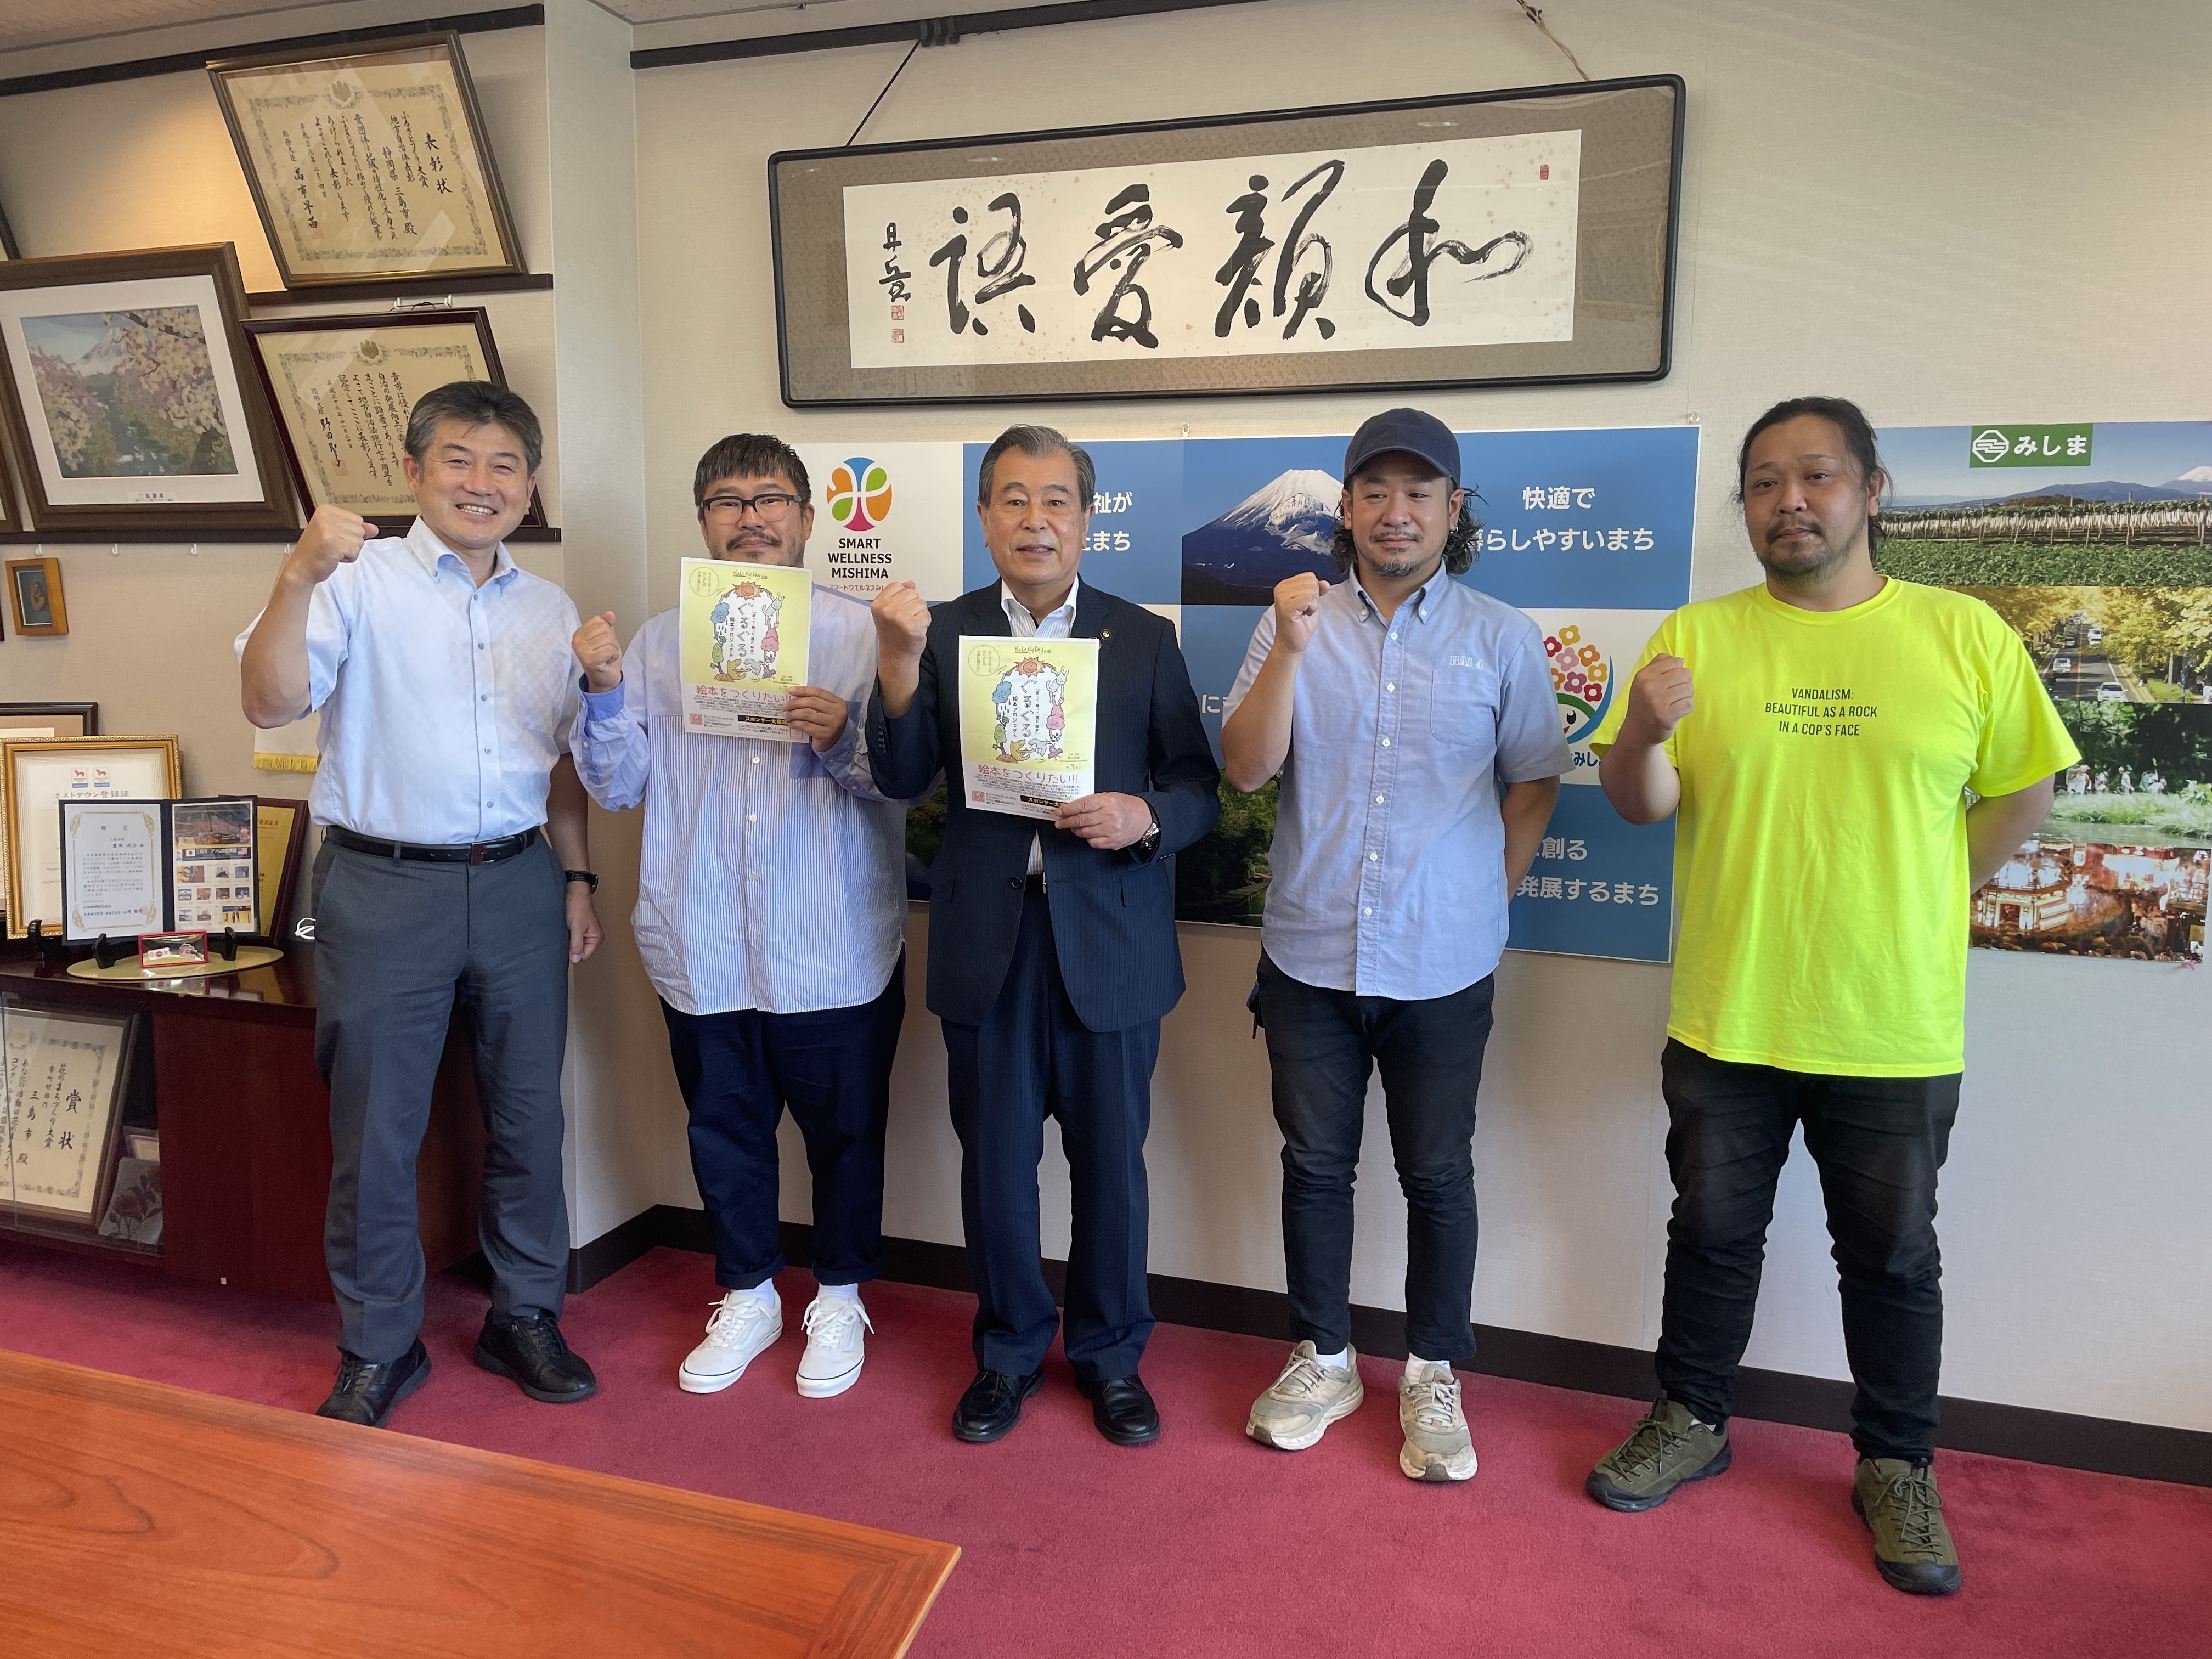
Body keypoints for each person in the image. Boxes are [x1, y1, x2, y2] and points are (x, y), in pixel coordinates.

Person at [1583, 396, 2077, 1595]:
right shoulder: (1697, 636)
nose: (1789, 501)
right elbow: (1640, 803)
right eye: (1764, 481)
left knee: (1894, 1259)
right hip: (1730, 1012)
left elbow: (2026, 788)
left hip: (1891, 1021)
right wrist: (1638, 732)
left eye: (1816, 475)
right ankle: (1692, 1417)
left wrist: (1927, 890)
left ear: (1872, 489)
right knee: (1710, 1235)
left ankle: (1897, 1464)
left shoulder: (1964, 635)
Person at [238, 382, 604, 1428]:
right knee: (376, 1127)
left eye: (504, 466)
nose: (481, 484)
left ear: (529, 487)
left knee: (530, 1114)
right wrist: (296, 574)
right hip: (383, 882)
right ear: (413, 473)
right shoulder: (351, 582)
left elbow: (562, 765)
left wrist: (576, 878)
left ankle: (524, 1313)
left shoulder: (550, 610)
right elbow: (268, 700)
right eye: (458, 460)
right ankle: (379, 1344)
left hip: (521, 880)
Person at [1221, 408, 1567, 1483]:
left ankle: (1431, 1371)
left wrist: (1486, 899)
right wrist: (1289, 648)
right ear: (1348, 508)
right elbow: (1245, 769)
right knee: (1315, 1167)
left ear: (1453, 510)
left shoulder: (1501, 636)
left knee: (1439, 1173)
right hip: (1309, 953)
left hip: (1443, 963)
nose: (1396, 511)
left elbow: (1534, 781)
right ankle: (1324, 1358)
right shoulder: (1294, 622)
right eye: (1375, 490)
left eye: (1420, 492)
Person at [867, 424, 1218, 1447]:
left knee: (1112, 1167)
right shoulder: (942, 632)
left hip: (1111, 937)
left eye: (1056, 500)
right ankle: (1010, 1351)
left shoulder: (1141, 637)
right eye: (1013, 499)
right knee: (996, 1165)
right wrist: (897, 664)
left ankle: (1111, 1357)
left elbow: (1197, 787)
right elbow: (901, 777)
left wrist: (1144, 816)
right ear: (983, 518)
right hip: (991, 940)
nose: (1035, 520)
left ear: (1087, 519)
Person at [569, 434, 911, 1400]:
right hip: (704, 935)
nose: (751, 517)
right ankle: (750, 1290)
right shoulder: (655, 643)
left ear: (807, 517)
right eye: (728, 501)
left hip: (831, 941)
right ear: (704, 522)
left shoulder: (863, 637)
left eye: (771, 499)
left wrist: (842, 738)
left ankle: (838, 1296)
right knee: (723, 1127)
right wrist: (603, 691)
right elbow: (619, 787)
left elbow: (905, 784)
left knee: (847, 1133)